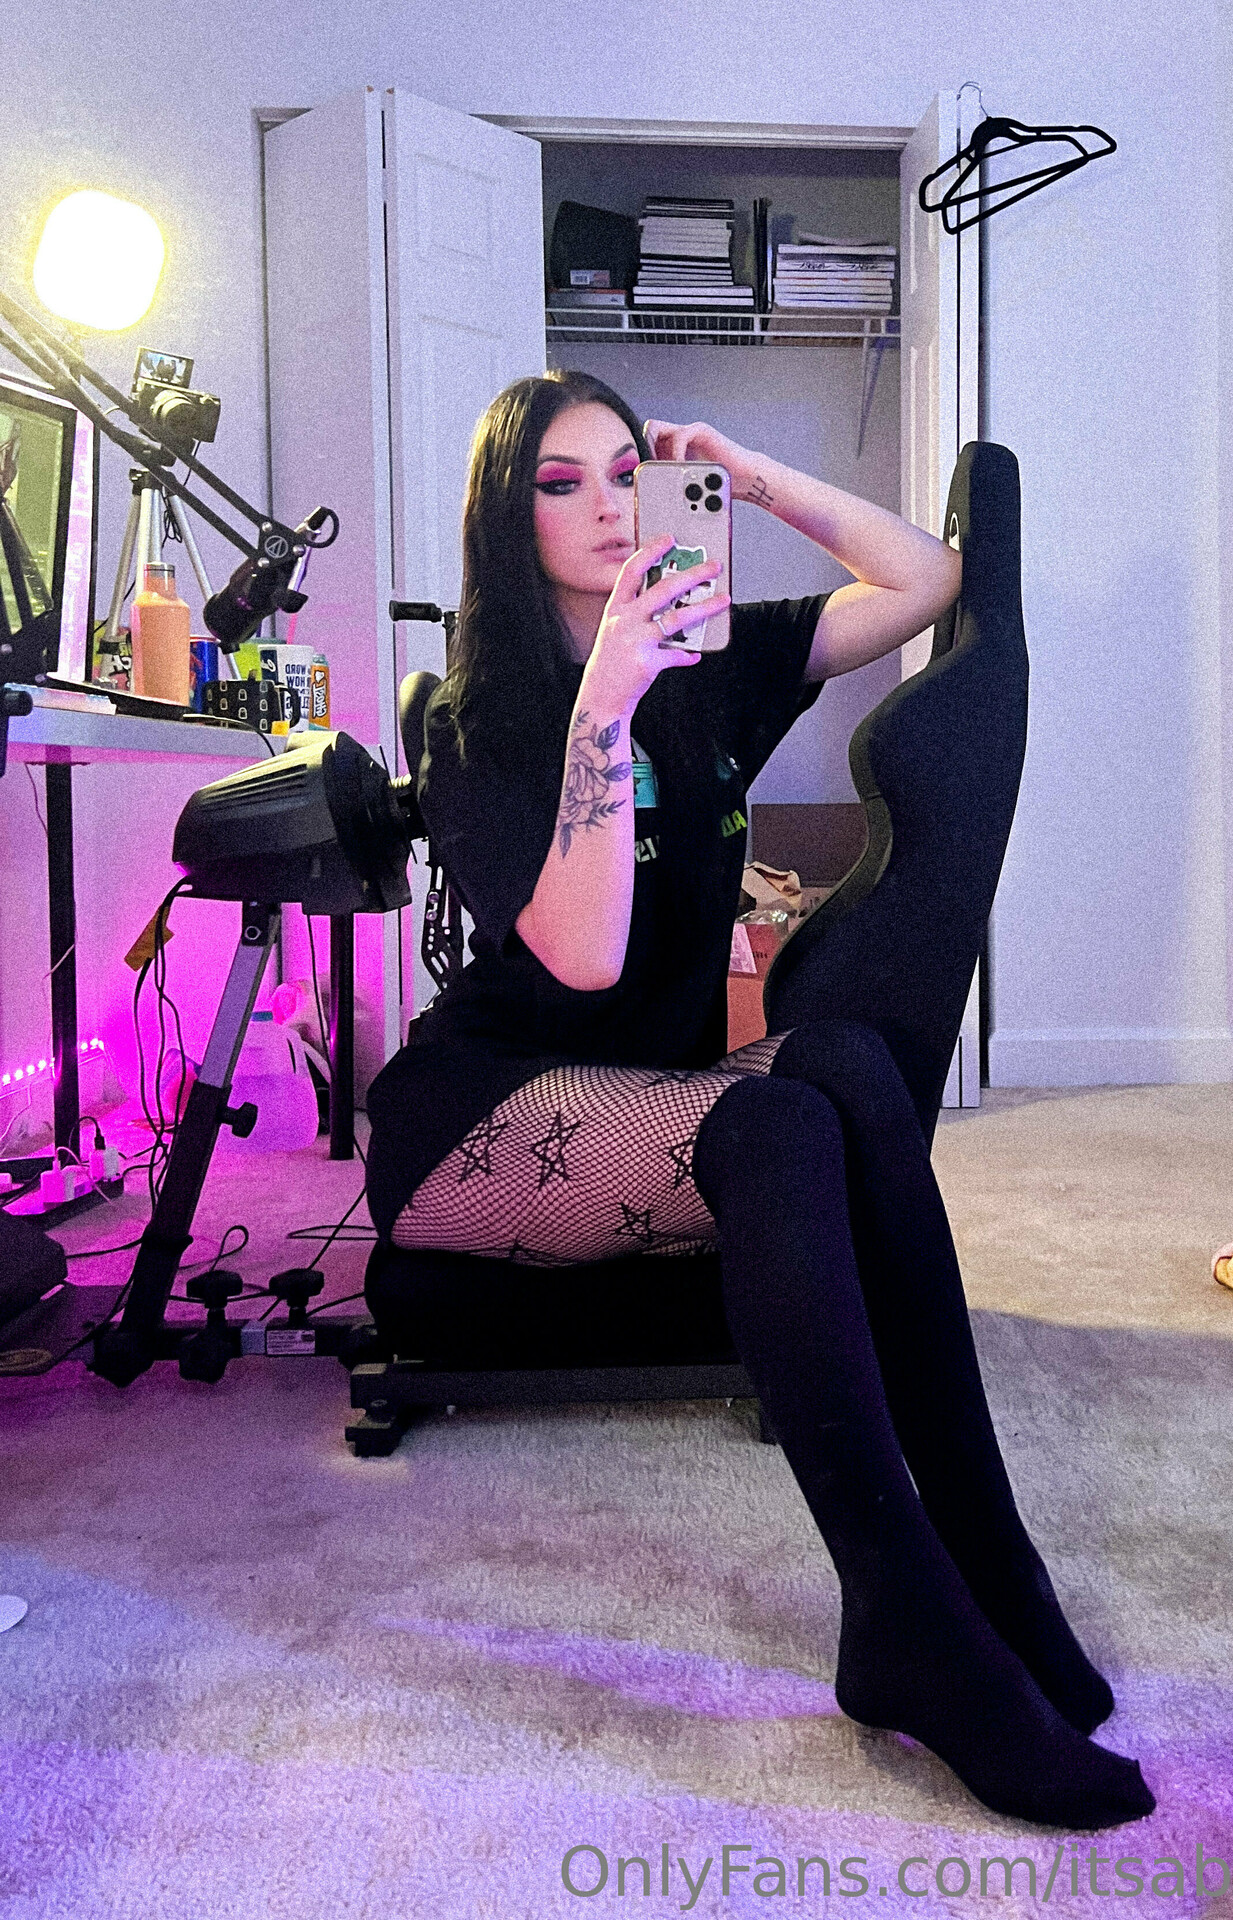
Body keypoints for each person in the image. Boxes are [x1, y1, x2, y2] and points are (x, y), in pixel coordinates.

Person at [365, 369, 1155, 1831]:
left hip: (648, 1092)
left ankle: (988, 1563)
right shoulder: (477, 721)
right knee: (775, 1122)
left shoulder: (712, 653)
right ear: (505, 517)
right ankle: (902, 1614)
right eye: (559, 483)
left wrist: (754, 475)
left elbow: (928, 583)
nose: (608, 507)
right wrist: (605, 705)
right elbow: (583, 962)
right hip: (483, 1117)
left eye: (630, 472)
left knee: (844, 1065)